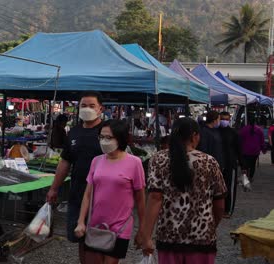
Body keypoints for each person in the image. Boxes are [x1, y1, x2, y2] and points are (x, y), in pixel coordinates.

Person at [141, 117, 226, 264]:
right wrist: (210, 226)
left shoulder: (158, 159)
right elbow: (220, 204)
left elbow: (154, 198)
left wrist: (146, 236)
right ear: (195, 136)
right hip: (202, 239)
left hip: (168, 237)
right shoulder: (209, 162)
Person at [74, 119, 145, 264]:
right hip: (95, 225)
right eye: (101, 137)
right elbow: (87, 195)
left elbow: (140, 198)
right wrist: (81, 221)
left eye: (109, 137)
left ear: (120, 138)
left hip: (120, 228)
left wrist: (143, 230)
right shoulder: (96, 161)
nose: (104, 141)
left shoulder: (134, 163)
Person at [46, 91, 104, 264]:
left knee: (102, 238)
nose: (87, 109)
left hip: (102, 194)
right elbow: (65, 162)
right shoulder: (74, 132)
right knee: (80, 235)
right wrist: (54, 188)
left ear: (100, 109)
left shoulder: (107, 131)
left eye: (92, 106)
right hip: (78, 192)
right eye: (83, 105)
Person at [219, 112, 243, 217]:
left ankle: (228, 210)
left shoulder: (233, 133)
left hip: (230, 164)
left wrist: (243, 166)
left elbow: (239, 150)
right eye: (223, 119)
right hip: (219, 163)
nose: (224, 121)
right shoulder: (215, 131)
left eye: (226, 119)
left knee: (230, 187)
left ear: (229, 120)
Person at [239, 117, 264, 182]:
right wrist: (263, 149)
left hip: (245, 151)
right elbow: (262, 141)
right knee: (252, 165)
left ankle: (245, 177)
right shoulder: (259, 130)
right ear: (255, 122)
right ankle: (250, 177)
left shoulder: (244, 129)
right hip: (255, 151)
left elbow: (240, 139)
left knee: (245, 165)